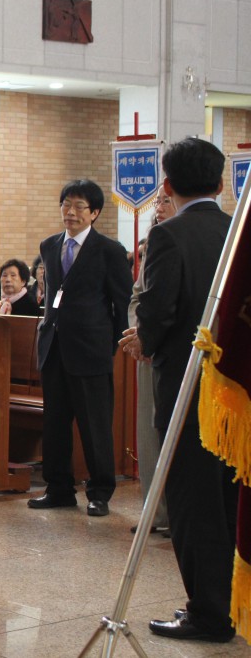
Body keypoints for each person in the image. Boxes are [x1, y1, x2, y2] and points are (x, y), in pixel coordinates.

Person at [121, 138, 236, 643]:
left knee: (192, 498)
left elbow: (159, 307)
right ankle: (235, 602)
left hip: (189, 388)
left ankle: (208, 614)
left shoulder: (169, 235)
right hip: (236, 390)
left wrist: (143, 339)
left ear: (166, 185)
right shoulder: (238, 232)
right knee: (230, 499)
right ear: (221, 183)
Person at [27, 179, 130, 517]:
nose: (70, 212)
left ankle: (99, 492)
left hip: (91, 350)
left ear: (94, 212)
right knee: (55, 423)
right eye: (66, 205)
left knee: (94, 425)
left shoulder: (109, 250)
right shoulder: (49, 245)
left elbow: (121, 303)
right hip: (54, 346)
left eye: (79, 206)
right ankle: (58, 488)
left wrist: (111, 343)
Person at [127, 186, 176, 536]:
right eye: (157, 200)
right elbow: (137, 297)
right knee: (148, 432)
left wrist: (150, 335)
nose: (159, 206)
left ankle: (179, 512)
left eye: (166, 200)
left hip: (176, 350)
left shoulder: (188, 239)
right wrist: (139, 333)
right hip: (147, 351)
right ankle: (154, 512)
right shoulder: (154, 243)